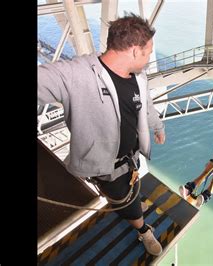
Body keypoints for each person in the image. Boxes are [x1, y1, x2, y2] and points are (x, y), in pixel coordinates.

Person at [38, 14, 165, 256]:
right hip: (105, 169)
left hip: (131, 157)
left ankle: (131, 205)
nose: (149, 59)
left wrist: (157, 127)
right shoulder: (75, 75)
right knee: (128, 204)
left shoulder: (138, 76)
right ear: (135, 51)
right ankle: (143, 230)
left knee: (132, 187)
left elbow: (145, 106)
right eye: (148, 53)